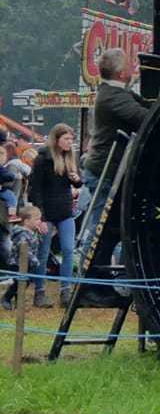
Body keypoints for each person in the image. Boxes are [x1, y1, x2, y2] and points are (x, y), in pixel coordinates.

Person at [84, 48, 149, 225]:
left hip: (108, 170)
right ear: (121, 74)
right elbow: (142, 116)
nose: (133, 67)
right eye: (129, 65)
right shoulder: (113, 97)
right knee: (100, 231)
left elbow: (145, 105)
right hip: (105, 171)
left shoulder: (117, 92)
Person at [28, 123, 82, 307]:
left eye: (71, 139)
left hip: (65, 211)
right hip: (47, 211)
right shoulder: (43, 158)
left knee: (68, 250)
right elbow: (35, 189)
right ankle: (39, 292)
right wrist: (40, 217)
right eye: (66, 139)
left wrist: (77, 180)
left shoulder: (70, 157)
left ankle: (65, 291)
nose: (70, 142)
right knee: (43, 253)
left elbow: (77, 184)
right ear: (57, 139)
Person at [2, 205, 49, 310]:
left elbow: (35, 245)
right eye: (37, 219)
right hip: (16, 263)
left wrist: (40, 234)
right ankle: (6, 298)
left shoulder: (32, 233)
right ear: (27, 221)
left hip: (27, 264)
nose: (39, 221)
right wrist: (35, 261)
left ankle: (19, 304)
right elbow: (24, 250)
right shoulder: (22, 234)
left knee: (24, 283)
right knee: (19, 283)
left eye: (40, 219)